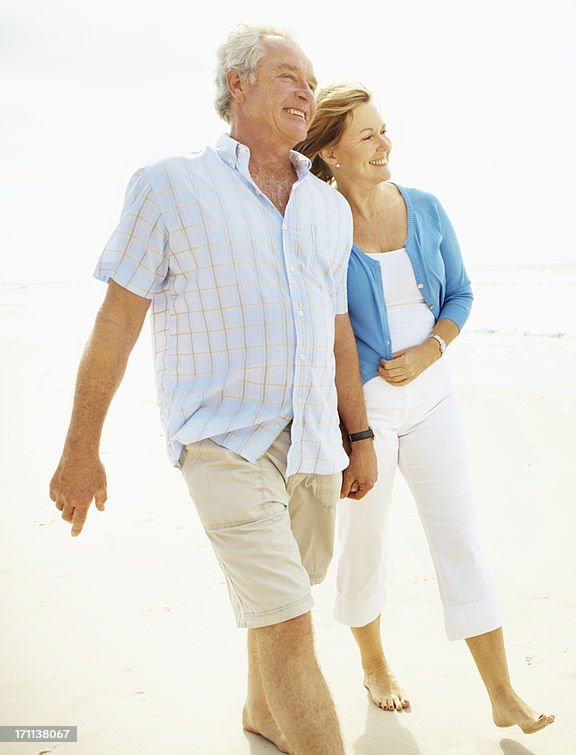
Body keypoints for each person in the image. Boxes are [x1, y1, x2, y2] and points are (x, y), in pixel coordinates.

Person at [47, 26, 376, 754]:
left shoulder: (326, 207)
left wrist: (359, 436)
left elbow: (338, 331)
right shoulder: (169, 185)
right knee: (290, 621)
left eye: (311, 79)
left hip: (316, 441)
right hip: (222, 440)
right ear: (238, 84)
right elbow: (116, 321)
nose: (305, 90)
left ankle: (261, 714)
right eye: (288, 75)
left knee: (285, 600)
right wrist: (81, 450)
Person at [295, 84, 555, 734]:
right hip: (365, 410)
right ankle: (374, 663)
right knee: (365, 541)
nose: (386, 144)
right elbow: (323, 327)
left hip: (433, 397)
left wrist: (431, 352)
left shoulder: (428, 208)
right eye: (369, 136)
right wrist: (351, 428)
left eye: (386, 130)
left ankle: (502, 691)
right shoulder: (319, 222)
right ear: (331, 149)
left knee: (458, 535)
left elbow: (461, 294)